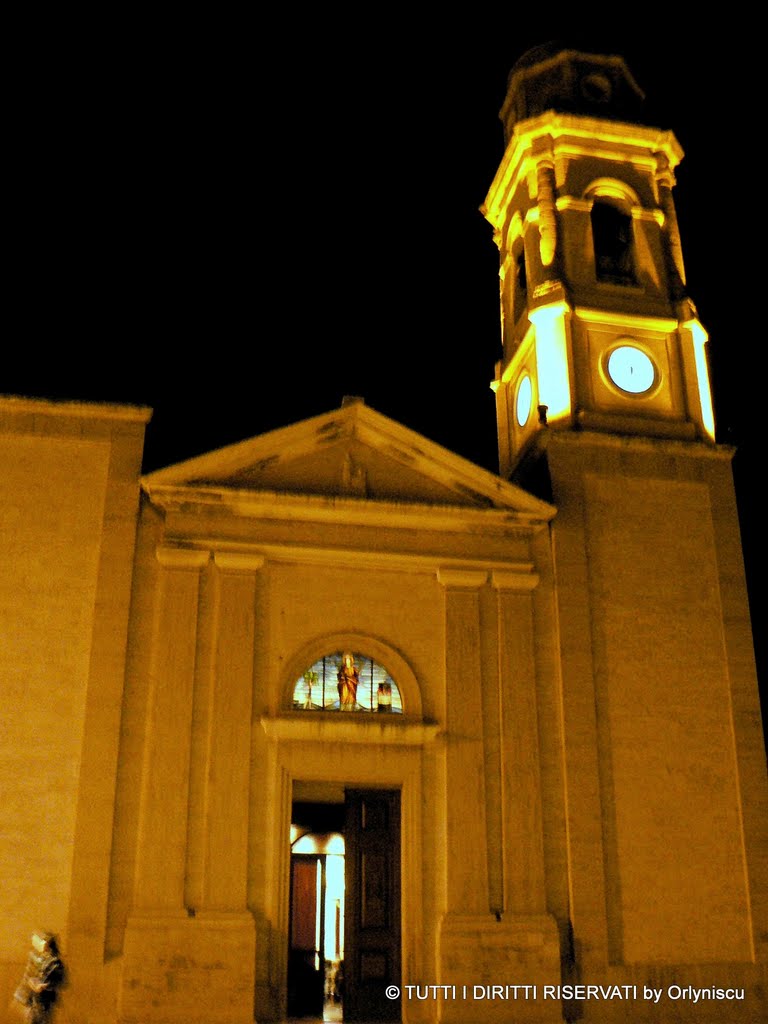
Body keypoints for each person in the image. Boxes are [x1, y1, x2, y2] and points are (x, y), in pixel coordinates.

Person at [13, 932, 65, 1023]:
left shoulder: (55, 963)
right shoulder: (41, 959)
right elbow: (32, 976)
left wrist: (44, 986)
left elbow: (60, 981)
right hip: (36, 1001)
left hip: (45, 1002)